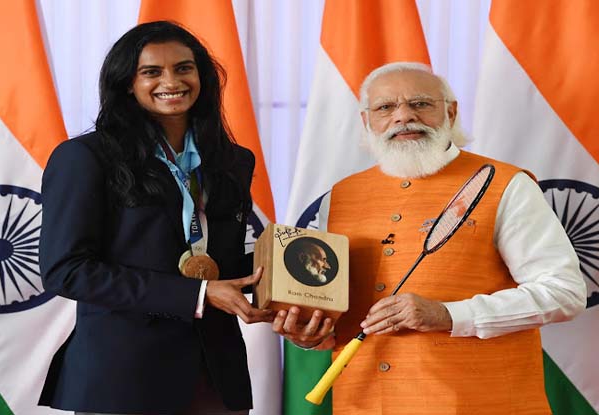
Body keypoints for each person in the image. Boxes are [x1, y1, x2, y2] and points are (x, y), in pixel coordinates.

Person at [312, 62, 587, 414]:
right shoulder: (340, 196)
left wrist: (448, 314)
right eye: (385, 107)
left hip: (483, 403)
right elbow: (328, 306)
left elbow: (564, 292)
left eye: (421, 103)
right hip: (362, 401)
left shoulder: (505, 183)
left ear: (451, 112)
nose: (403, 117)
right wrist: (311, 334)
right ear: (367, 121)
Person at [38, 21, 275, 415]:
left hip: (217, 376)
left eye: (184, 68)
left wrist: (290, 274)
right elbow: (67, 270)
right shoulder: (84, 157)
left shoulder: (233, 160)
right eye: (152, 71)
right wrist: (198, 295)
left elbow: (224, 262)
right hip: (124, 379)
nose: (172, 80)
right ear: (127, 83)